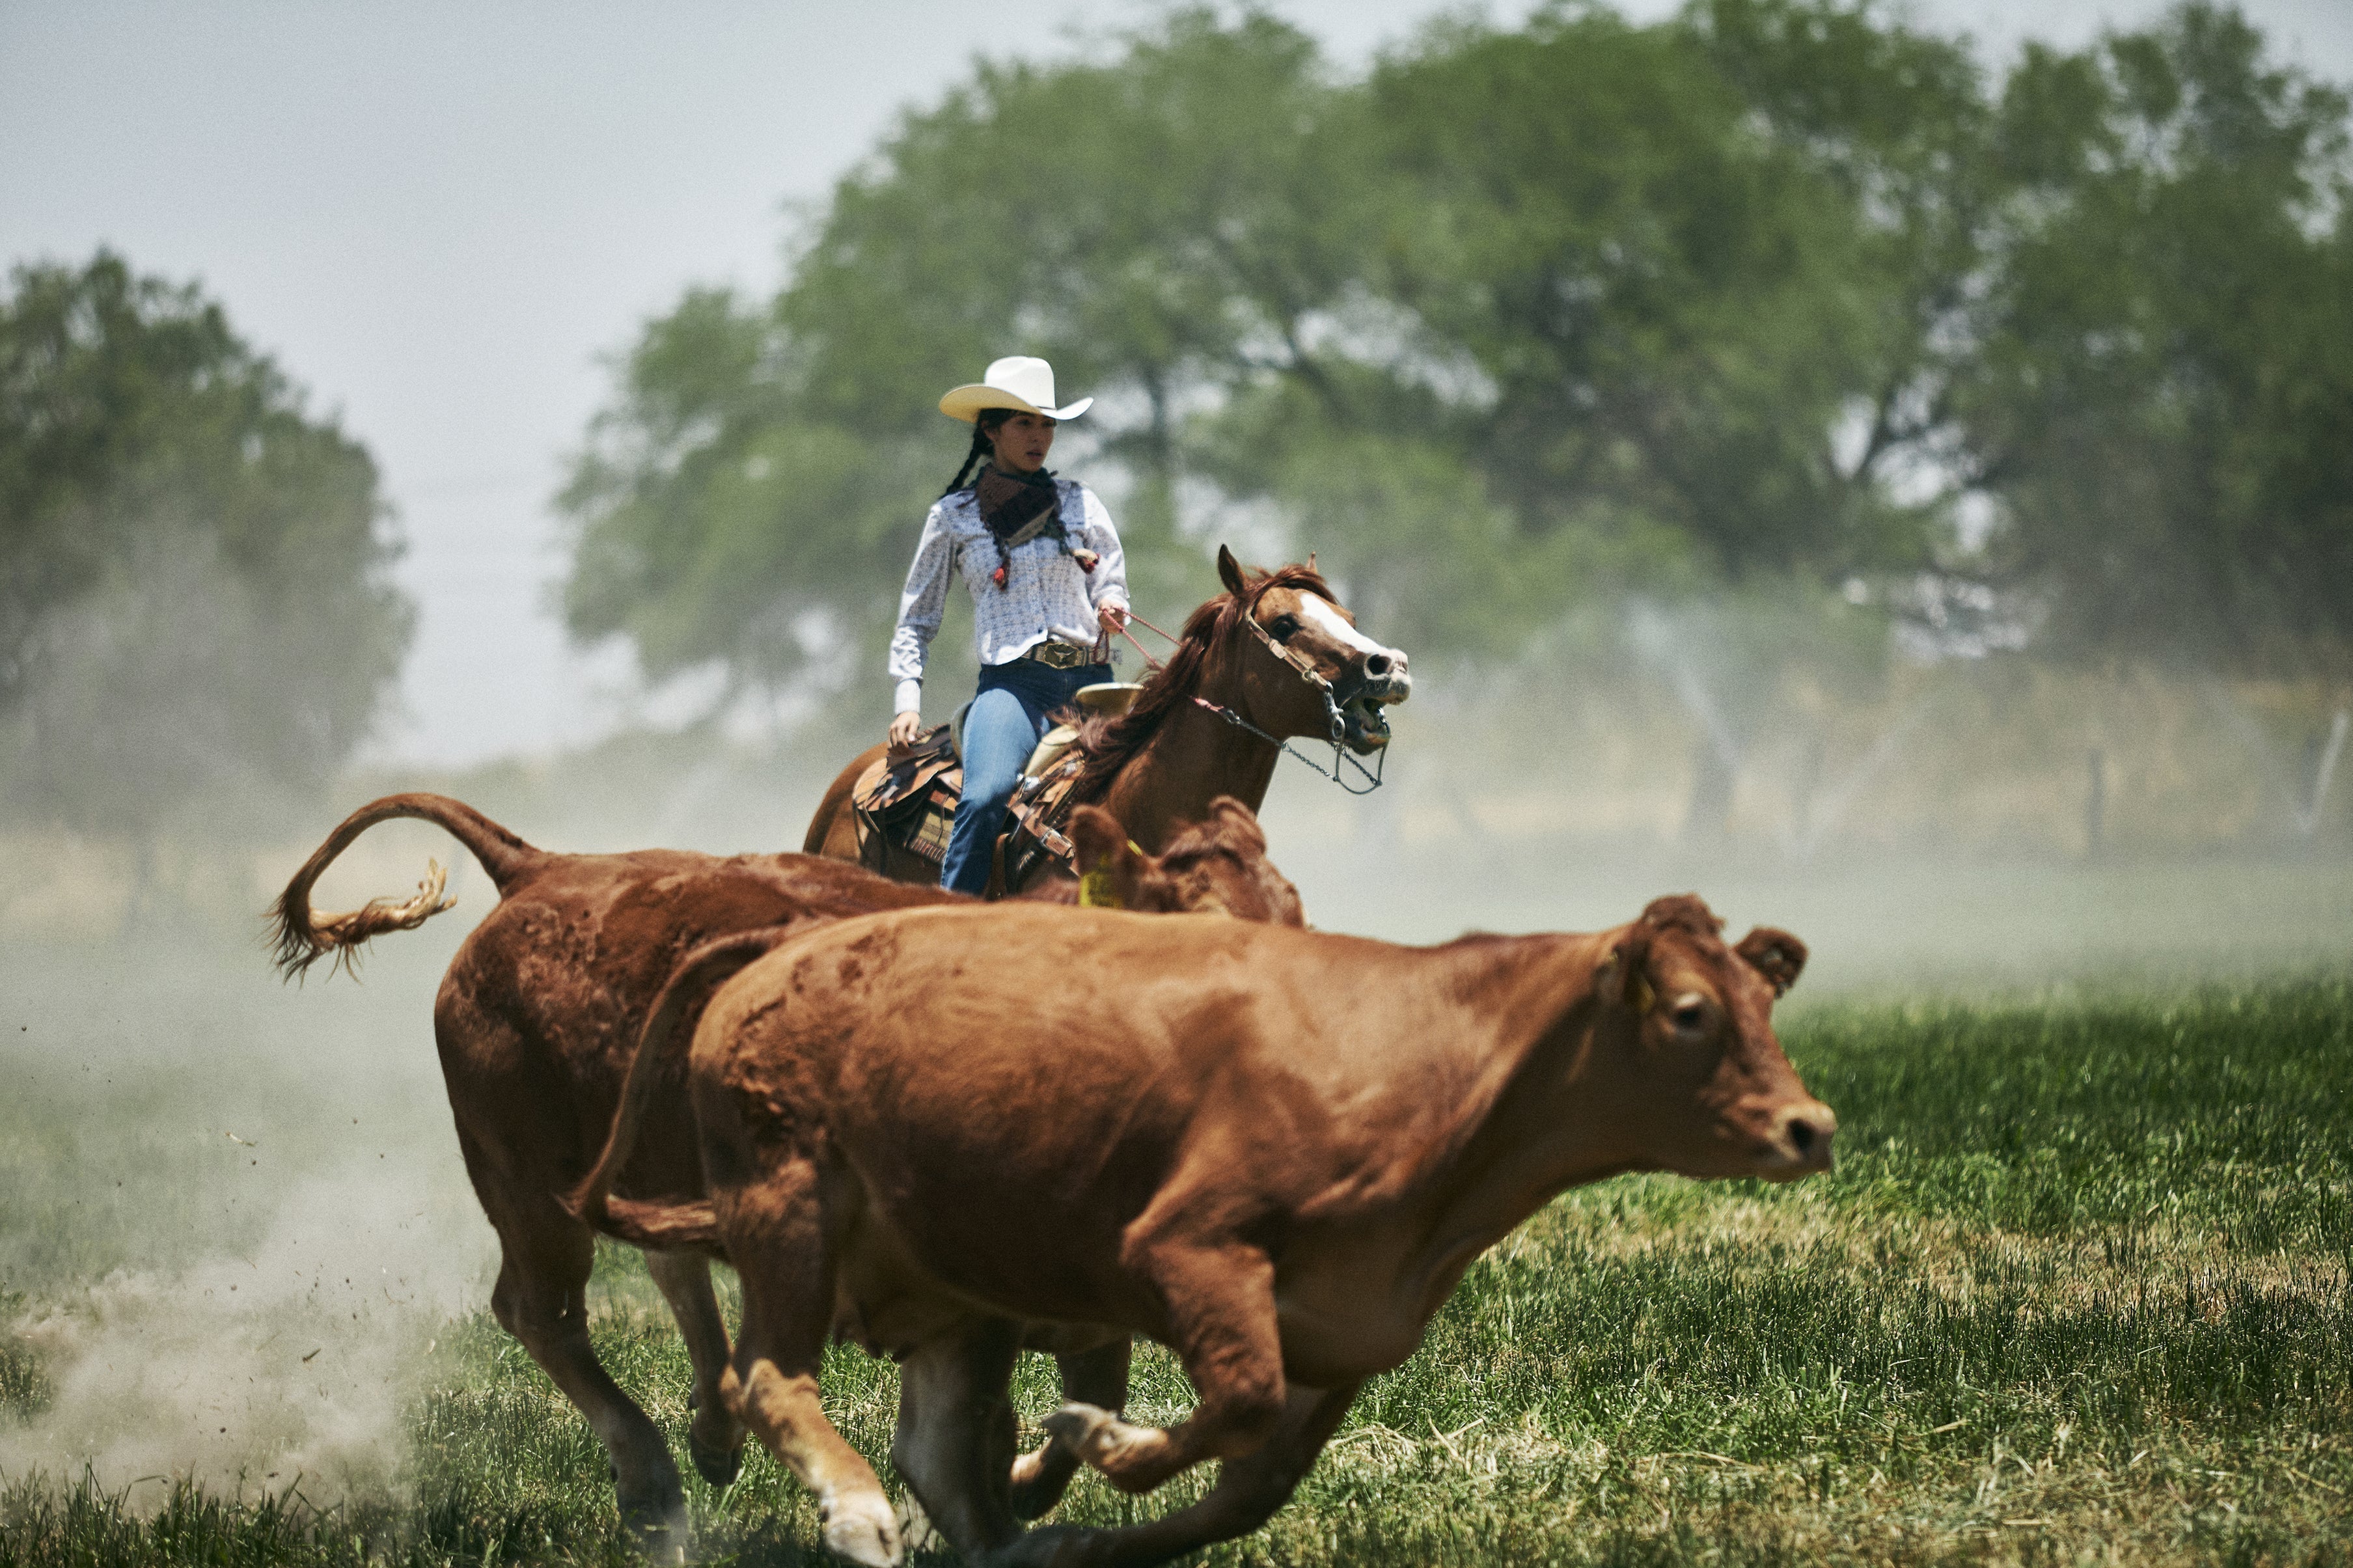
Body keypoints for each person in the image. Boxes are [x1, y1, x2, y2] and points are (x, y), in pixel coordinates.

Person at [887, 355, 1130, 894]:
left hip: (1093, 684)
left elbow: (1110, 582)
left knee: (1155, 785)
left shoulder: (1081, 502)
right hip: (1014, 686)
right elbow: (916, 618)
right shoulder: (953, 516)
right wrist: (907, 699)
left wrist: (1111, 605)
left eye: (1046, 424)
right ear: (990, 431)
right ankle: (955, 915)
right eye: (1024, 423)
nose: (1039, 436)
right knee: (984, 796)